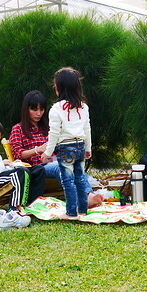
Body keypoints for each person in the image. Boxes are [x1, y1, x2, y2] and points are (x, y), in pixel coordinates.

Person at [9, 90, 102, 208]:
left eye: (41, 109)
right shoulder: (18, 129)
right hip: (36, 169)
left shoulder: (47, 127)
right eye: (34, 109)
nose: (38, 113)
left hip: (52, 162)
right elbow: (18, 154)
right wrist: (38, 150)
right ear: (26, 109)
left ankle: (88, 195)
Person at [41, 67, 93, 220]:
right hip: (80, 146)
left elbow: (54, 133)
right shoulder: (84, 107)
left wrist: (48, 152)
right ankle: (83, 210)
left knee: (68, 181)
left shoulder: (56, 109)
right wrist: (88, 148)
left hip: (66, 148)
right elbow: (87, 128)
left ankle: (71, 213)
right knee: (80, 178)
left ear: (58, 88)